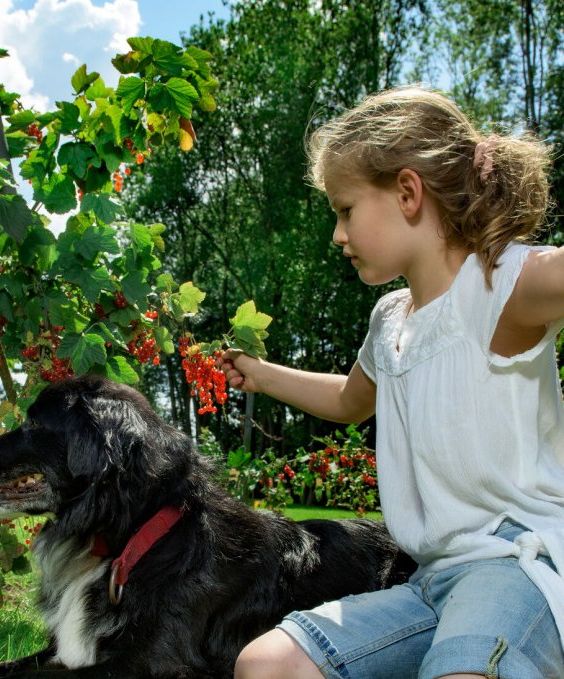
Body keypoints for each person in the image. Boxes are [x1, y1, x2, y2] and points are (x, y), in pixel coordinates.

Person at [223, 86, 564, 679]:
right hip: (428, 583)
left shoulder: (501, 285)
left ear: (408, 192)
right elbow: (348, 401)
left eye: (345, 209)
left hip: (517, 568)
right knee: (265, 664)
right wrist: (262, 375)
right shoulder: (390, 322)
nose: (337, 234)